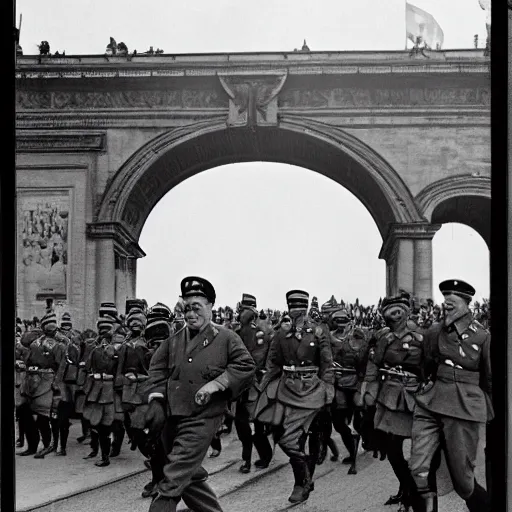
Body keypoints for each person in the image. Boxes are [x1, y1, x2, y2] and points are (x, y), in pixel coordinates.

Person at [142, 276, 256, 512]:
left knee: (172, 478)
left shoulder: (226, 338)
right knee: (187, 473)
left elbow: (245, 367)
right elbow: (156, 370)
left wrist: (216, 384)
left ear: (211, 307)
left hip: (204, 416)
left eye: (197, 308)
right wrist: (156, 400)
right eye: (186, 308)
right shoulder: (173, 341)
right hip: (174, 416)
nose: (191, 314)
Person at [410, 280, 492, 512]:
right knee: (419, 469)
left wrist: (485, 410)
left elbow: (490, 378)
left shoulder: (482, 337)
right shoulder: (434, 332)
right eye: (445, 301)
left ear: (466, 304)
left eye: (452, 302)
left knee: (463, 481)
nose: (446, 305)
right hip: (432, 401)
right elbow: (426, 364)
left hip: (463, 406)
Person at [253, 290, 334, 504]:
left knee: (312, 436)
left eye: (300, 307)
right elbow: (273, 362)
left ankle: (303, 482)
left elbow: (326, 363)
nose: (296, 311)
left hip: (313, 389)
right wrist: (264, 387)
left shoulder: (318, 331)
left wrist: (328, 389)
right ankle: (304, 475)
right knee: (284, 438)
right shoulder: (281, 333)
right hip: (287, 388)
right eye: (292, 307)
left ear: (306, 308)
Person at [362, 293, 425, 511]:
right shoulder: (383, 338)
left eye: (400, 309)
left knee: (413, 451)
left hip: (413, 397)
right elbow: (373, 365)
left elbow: (431, 367)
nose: (395, 314)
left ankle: (413, 494)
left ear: (407, 312)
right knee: (392, 450)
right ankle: (407, 490)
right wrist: (369, 392)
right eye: (391, 310)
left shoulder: (421, 337)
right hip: (388, 398)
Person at [234, 293, 274, 473]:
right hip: (240, 384)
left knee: (254, 424)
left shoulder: (259, 334)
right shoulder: (237, 333)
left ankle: (257, 458)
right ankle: (256, 457)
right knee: (244, 424)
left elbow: (257, 360)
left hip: (253, 384)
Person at [19, 312, 67, 458]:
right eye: (46, 324)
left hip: (47, 380)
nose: (49, 327)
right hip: (30, 380)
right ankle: (32, 445)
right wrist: (37, 328)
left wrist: (56, 382)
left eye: (51, 325)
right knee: (24, 412)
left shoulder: (59, 343)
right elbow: (24, 340)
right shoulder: (36, 339)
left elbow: (62, 365)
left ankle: (47, 445)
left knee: (44, 416)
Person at [330, 308, 369, 475]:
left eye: (343, 321)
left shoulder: (361, 337)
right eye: (338, 322)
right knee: (339, 422)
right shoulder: (336, 340)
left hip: (357, 385)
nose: (341, 325)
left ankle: (362, 445)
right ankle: (352, 449)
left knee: (359, 421)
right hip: (341, 384)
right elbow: (334, 360)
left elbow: (367, 365)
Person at [82, 314, 124, 467]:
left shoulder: (117, 349)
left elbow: (120, 370)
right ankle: (99, 451)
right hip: (97, 389)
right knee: (97, 422)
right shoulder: (94, 349)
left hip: (110, 390)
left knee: (109, 423)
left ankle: (107, 454)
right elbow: (87, 367)